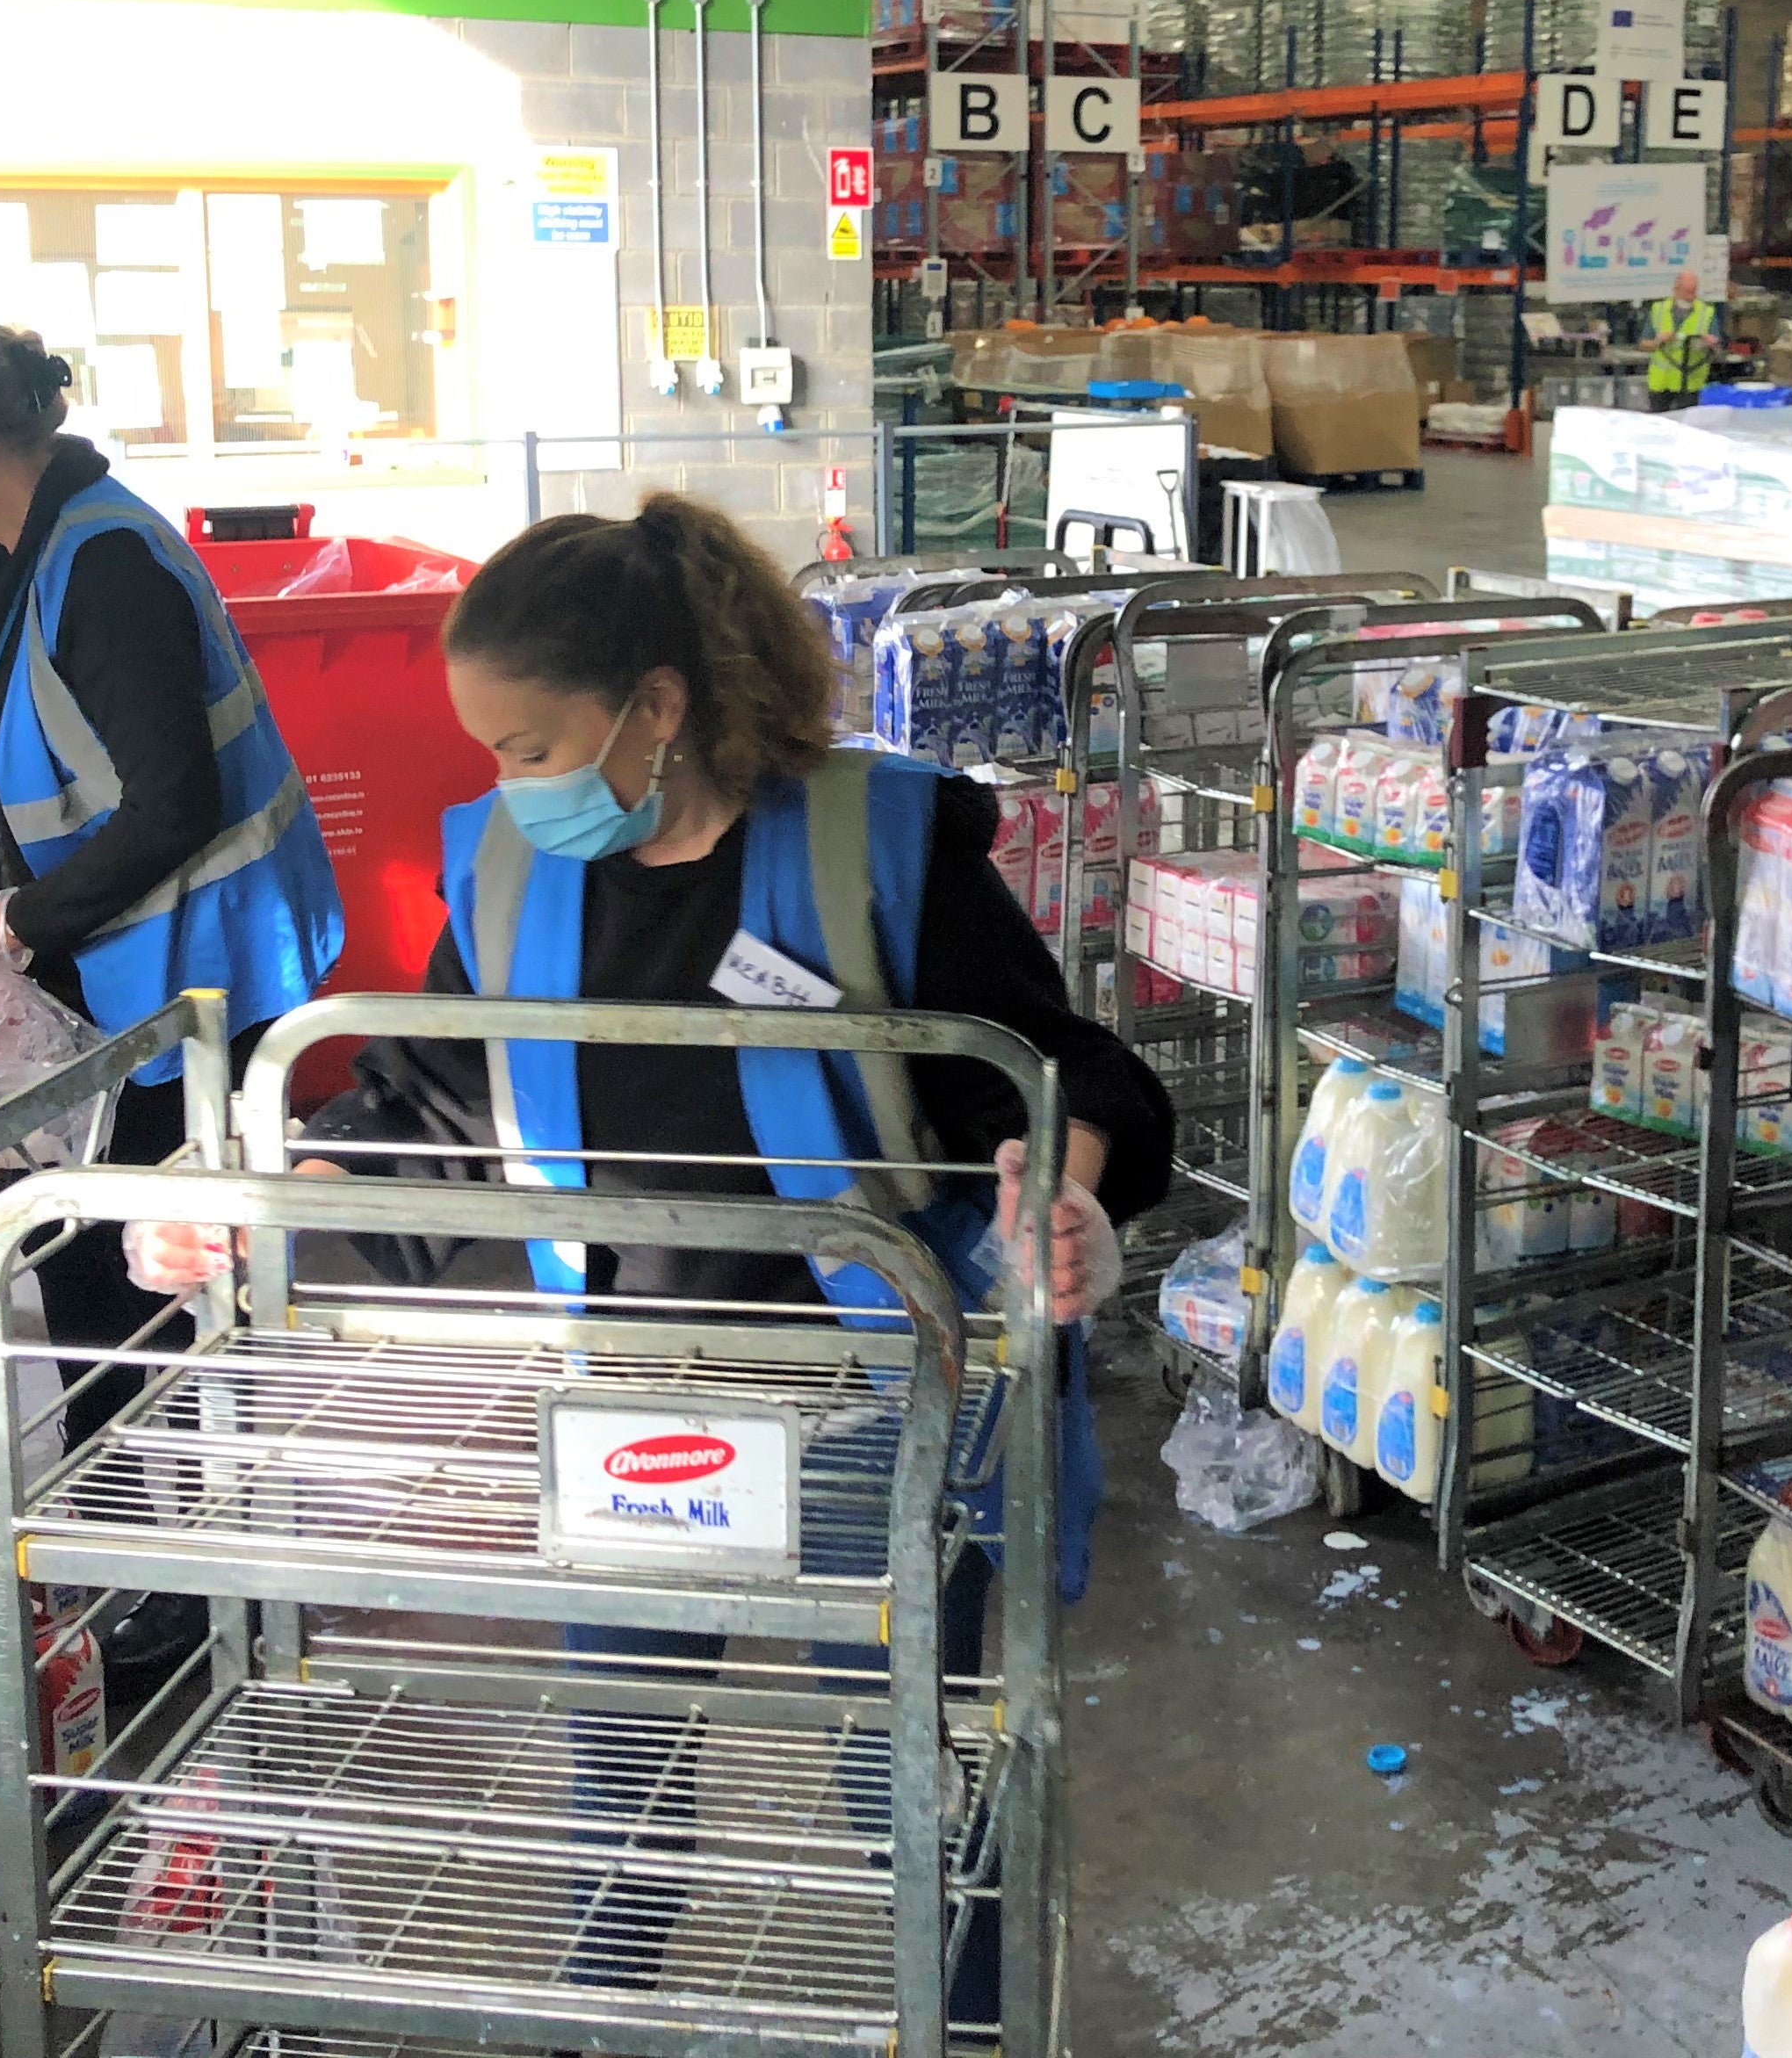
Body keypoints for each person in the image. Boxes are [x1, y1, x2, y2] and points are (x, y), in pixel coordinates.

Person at [128, 492, 1174, 2019]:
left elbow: (1065, 1072)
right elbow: (435, 1108)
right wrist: (271, 1194)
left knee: (912, 1788)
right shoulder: (508, 870)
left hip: (868, 1399)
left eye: (531, 747)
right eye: (492, 752)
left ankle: (965, 2023)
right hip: (630, 1397)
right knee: (618, 1785)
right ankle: (597, 2021)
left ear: (659, 706)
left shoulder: (873, 845)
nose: (509, 784)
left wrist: (1057, 1187)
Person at [0, 314, 346, 1447]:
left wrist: (1, 925)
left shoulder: (104, 566)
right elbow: (23, 748)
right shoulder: (8, 562)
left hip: (199, 977)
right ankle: (118, 1507)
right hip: (111, 976)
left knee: (154, 1294)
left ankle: (173, 1528)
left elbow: (172, 803)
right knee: (80, 1263)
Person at [1641, 271, 1719, 410]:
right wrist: (1659, 341)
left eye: (1694, 291)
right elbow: (1643, 344)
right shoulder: (1658, 310)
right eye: (1687, 292)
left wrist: (1711, 343)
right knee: (1660, 422)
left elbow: (1717, 347)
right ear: (1676, 290)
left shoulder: (1706, 312)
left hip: (1691, 383)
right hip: (1661, 383)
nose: (1691, 296)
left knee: (1687, 422)